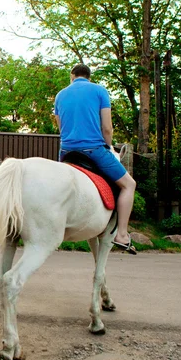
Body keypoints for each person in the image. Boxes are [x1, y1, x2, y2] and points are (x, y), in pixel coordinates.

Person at [54, 64, 138, 254]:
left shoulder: (60, 95)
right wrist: (108, 146)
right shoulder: (99, 91)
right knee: (129, 185)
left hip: (66, 152)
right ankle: (122, 234)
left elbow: (61, 128)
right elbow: (107, 128)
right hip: (93, 149)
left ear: (72, 76)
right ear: (88, 77)